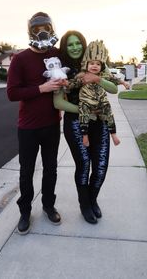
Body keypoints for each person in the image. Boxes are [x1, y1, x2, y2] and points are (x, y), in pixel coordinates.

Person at [7, 12, 64, 235]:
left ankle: (49, 206)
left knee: (51, 168)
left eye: (46, 27)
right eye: (38, 27)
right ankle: (25, 211)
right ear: (30, 31)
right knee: (26, 171)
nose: (42, 31)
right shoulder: (19, 59)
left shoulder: (56, 54)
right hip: (28, 127)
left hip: (51, 124)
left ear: (52, 28)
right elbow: (11, 93)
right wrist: (42, 88)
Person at [54, 31, 119, 224]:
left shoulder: (95, 64)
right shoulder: (61, 70)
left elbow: (114, 89)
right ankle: (85, 205)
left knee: (100, 168)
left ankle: (92, 200)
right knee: (83, 166)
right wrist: (86, 112)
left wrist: (97, 78)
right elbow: (58, 103)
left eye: (78, 43)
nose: (75, 47)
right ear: (65, 47)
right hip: (76, 124)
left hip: (100, 126)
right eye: (70, 44)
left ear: (84, 45)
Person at [66, 39, 121, 147]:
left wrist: (123, 82)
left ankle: (114, 134)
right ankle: (85, 136)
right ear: (86, 65)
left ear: (102, 66)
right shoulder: (82, 75)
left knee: (108, 112)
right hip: (86, 102)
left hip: (101, 102)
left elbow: (114, 81)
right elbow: (73, 84)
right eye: (91, 63)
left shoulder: (102, 75)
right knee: (83, 112)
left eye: (97, 64)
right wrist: (66, 85)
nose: (94, 66)